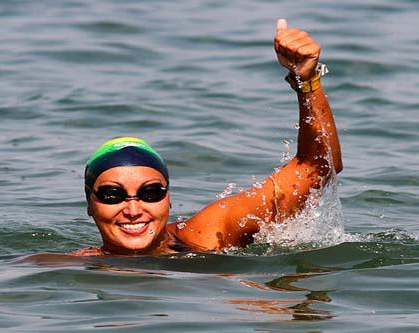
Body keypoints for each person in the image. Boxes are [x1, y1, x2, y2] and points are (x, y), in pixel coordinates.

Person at [69, 18, 342, 257]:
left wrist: (307, 81)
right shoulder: (71, 266)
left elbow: (318, 168)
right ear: (90, 204)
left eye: (150, 193)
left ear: (168, 199)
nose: (133, 209)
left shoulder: (207, 236)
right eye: (112, 195)